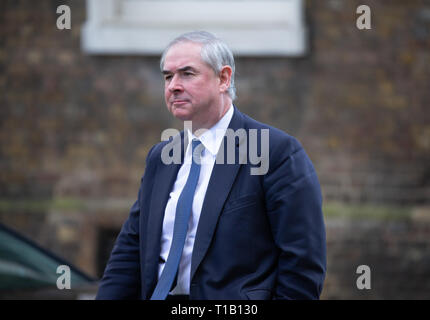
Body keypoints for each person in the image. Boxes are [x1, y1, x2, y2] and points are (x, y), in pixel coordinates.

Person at [96, 31, 326, 300]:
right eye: (168, 76)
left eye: (187, 74)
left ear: (224, 78)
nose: (173, 86)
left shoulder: (275, 152)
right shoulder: (161, 157)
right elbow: (130, 250)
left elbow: (302, 264)